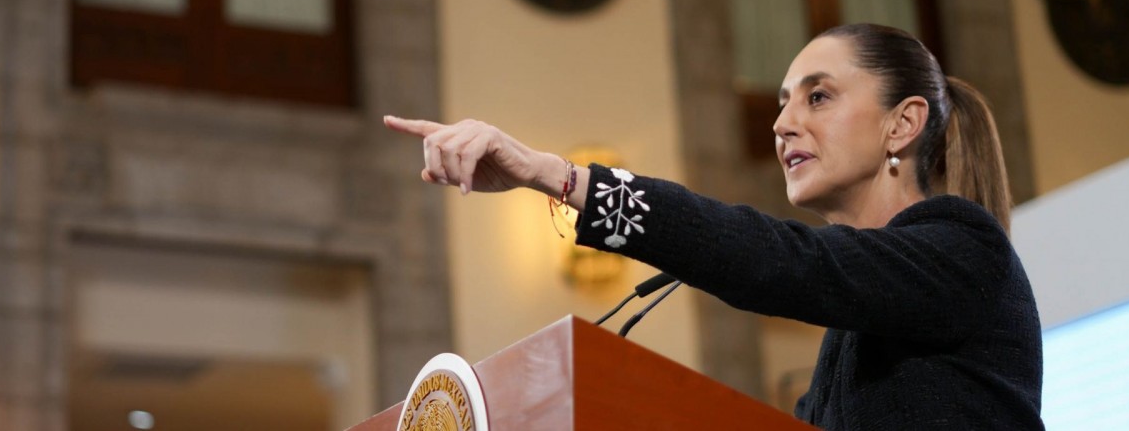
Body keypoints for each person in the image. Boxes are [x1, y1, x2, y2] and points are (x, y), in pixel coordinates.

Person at [383, 23, 1044, 430]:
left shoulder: (965, 248)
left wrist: (556, 175)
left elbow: (787, 261)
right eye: (781, 104)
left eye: (818, 97)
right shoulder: (854, 331)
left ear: (903, 124)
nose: (782, 124)